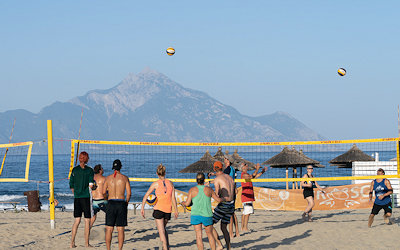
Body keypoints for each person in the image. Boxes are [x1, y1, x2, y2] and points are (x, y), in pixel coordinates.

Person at [141, 164, 179, 250]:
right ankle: (166, 246)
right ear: (165, 173)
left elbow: (146, 195)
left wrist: (142, 208)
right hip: (168, 211)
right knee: (163, 230)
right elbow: (173, 198)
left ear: (157, 173)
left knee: (161, 233)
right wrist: (176, 210)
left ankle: (165, 247)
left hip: (158, 210)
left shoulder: (155, 184)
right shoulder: (170, 183)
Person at [182, 173, 223, 250]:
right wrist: (224, 198)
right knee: (210, 235)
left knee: (198, 236)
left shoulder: (192, 190)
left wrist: (183, 203)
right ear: (204, 180)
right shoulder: (209, 190)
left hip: (195, 215)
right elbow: (218, 200)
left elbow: (187, 204)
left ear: (196, 180)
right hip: (206, 214)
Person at [103, 159, 131, 250]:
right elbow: (129, 193)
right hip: (121, 203)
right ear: (121, 167)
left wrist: (107, 200)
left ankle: (108, 249)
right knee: (120, 229)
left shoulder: (108, 178)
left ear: (113, 168)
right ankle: (120, 249)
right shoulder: (125, 178)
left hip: (111, 203)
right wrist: (126, 202)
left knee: (109, 229)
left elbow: (103, 193)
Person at [69, 151, 94, 248]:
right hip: (86, 197)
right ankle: (87, 244)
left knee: (77, 221)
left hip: (77, 198)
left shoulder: (74, 170)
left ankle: (72, 243)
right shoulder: (89, 171)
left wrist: (75, 193)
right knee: (87, 221)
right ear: (87, 159)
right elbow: (91, 185)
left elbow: (71, 184)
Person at [211, 161, 235, 250]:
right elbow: (234, 191)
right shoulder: (229, 177)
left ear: (214, 169)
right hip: (231, 205)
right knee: (223, 227)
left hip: (224, 204)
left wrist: (208, 191)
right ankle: (228, 247)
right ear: (222, 168)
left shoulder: (217, 179)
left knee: (209, 224)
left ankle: (219, 244)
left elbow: (217, 195)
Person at [240, 163, 267, 232]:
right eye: (245, 165)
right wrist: (257, 168)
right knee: (247, 213)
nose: (247, 166)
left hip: (247, 195)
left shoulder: (246, 174)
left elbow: (255, 176)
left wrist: (262, 171)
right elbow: (252, 176)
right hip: (247, 196)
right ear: (243, 168)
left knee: (245, 212)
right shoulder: (244, 175)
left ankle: (243, 227)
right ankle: (245, 228)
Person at [223, 155, 240, 239]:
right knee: (232, 212)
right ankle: (237, 231)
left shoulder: (228, 169)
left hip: (229, 192)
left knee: (229, 213)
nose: (224, 160)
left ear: (228, 161)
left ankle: (231, 233)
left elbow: (222, 178)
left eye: (225, 159)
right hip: (232, 191)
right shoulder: (232, 169)